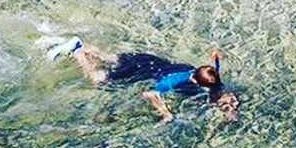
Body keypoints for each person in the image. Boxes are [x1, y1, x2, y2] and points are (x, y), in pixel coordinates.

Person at [48, 36, 239, 123]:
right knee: (98, 79)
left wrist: (229, 111)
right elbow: (149, 93)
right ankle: (77, 52)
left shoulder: (212, 74)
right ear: (196, 82)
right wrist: (166, 113)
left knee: (110, 58)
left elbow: (217, 78)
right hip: (141, 71)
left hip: (150, 60)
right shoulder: (173, 81)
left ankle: (79, 42)